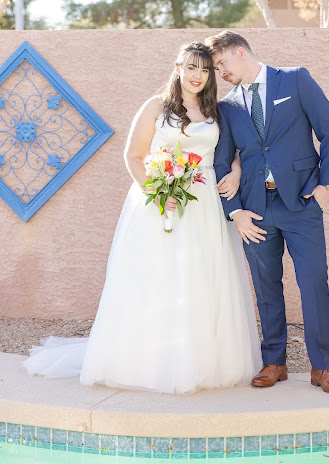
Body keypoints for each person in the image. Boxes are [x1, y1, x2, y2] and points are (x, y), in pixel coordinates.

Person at [23, 42, 262, 395]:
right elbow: (134, 156)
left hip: (205, 203)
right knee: (158, 279)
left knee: (203, 279)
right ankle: (152, 360)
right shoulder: (156, 106)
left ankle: (201, 359)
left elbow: (236, 150)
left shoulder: (218, 111)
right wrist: (159, 193)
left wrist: (238, 172)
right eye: (192, 68)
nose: (198, 76)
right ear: (178, 67)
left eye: (205, 70)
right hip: (159, 201)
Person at [206, 30, 329, 394]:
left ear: (240, 52)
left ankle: (323, 367)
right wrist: (235, 212)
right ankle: (275, 362)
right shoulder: (228, 106)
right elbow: (222, 161)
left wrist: (325, 188)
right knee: (266, 288)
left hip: (302, 203)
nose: (220, 72)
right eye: (216, 67)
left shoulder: (296, 79)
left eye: (222, 63)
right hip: (256, 209)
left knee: (314, 282)